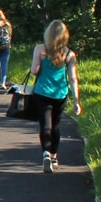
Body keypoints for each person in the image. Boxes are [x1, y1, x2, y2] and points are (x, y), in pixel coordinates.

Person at [30, 20, 82, 173]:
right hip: (60, 93)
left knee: (45, 124)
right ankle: (54, 155)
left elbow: (34, 70)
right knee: (56, 124)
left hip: (42, 92)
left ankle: (45, 153)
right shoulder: (69, 54)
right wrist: (76, 101)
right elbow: (73, 78)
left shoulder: (40, 49)